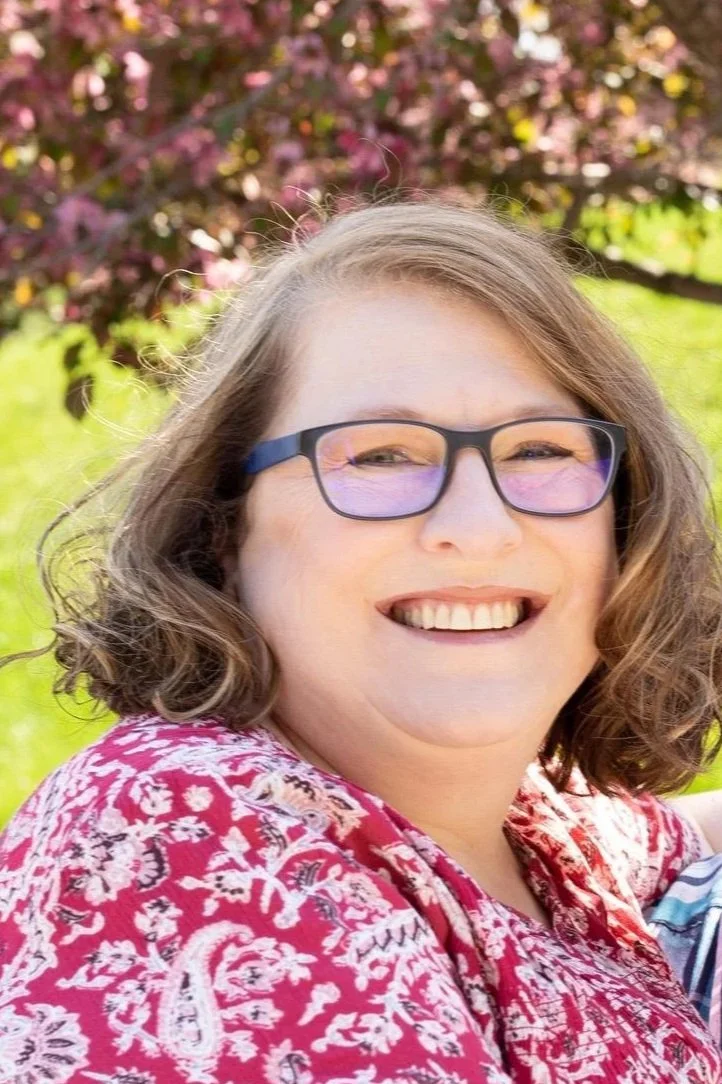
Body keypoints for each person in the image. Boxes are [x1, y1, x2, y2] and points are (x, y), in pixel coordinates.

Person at [1, 198, 722, 1083]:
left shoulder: (530, 839)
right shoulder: (189, 834)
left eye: (538, 450)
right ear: (226, 526)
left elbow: (655, 831)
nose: (482, 528)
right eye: (380, 456)